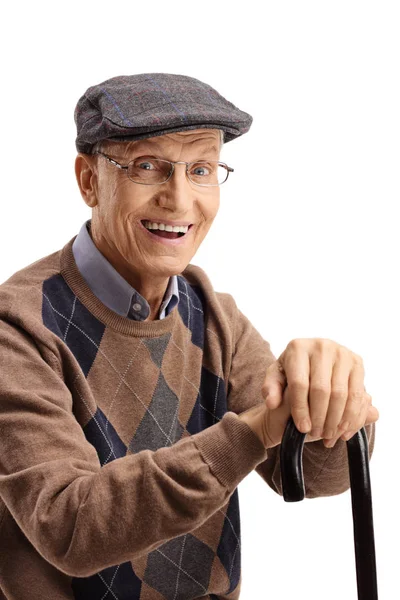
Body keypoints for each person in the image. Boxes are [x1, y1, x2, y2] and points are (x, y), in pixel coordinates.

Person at [0, 73, 378, 600]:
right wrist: (253, 430)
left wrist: (332, 406)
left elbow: (313, 477)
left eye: (201, 170)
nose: (179, 200)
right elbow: (72, 525)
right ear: (88, 181)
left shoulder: (214, 315)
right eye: (147, 166)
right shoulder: (16, 325)